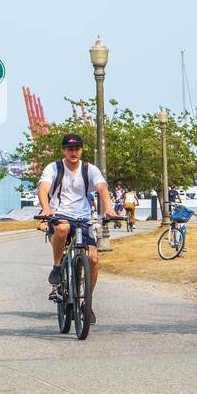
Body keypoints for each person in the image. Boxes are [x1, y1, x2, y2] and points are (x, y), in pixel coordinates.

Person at [36, 133, 120, 322]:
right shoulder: (54, 168)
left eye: (77, 149)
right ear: (63, 150)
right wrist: (47, 209)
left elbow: (102, 188)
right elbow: (43, 188)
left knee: (93, 258)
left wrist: (108, 208)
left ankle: (86, 302)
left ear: (81, 150)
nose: (73, 152)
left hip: (83, 218)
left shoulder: (89, 169)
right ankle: (58, 267)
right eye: (69, 149)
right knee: (63, 229)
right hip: (59, 214)